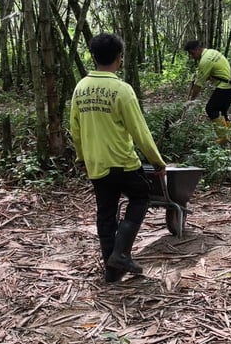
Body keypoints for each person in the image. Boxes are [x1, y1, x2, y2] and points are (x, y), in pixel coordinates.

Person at [70, 33, 167, 283]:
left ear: (93, 57)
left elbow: (75, 129)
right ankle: (121, 254)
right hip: (123, 162)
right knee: (140, 197)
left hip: (96, 164)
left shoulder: (81, 88)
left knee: (106, 213)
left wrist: (81, 159)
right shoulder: (122, 90)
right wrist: (157, 161)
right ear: (119, 58)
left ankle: (112, 270)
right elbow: (139, 131)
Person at [183, 40, 231, 144]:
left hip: (226, 85)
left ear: (197, 49)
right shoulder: (212, 52)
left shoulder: (205, 61)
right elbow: (213, 72)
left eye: (192, 53)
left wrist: (191, 100)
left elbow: (198, 85)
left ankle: (223, 137)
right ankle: (227, 134)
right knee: (223, 110)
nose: (192, 57)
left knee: (210, 109)